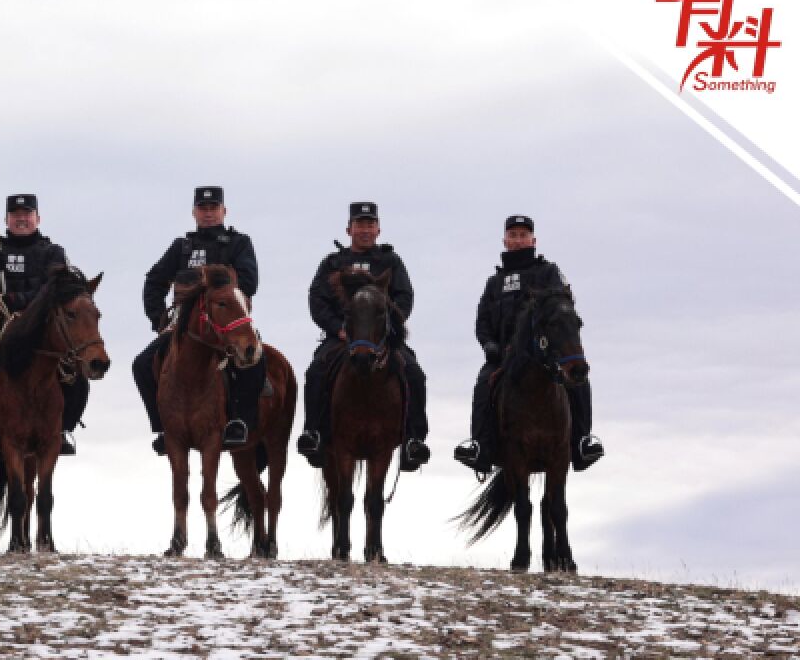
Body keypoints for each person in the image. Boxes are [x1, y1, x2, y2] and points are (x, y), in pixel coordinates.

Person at [454, 214, 605, 474]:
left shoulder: (548, 272)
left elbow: (560, 309)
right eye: (513, 236)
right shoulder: (494, 283)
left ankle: (581, 442)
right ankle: (481, 446)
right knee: (482, 384)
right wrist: (489, 345)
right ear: (505, 241)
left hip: (543, 356)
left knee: (579, 381)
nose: (518, 240)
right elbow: (483, 320)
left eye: (523, 235)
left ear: (533, 240)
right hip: (502, 358)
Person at [296, 202, 431, 471]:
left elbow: (405, 297)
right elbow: (317, 300)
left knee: (414, 373)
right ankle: (314, 434)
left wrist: (390, 327)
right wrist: (338, 328)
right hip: (343, 336)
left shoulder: (391, 262)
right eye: (360, 225)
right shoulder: (333, 263)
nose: (365, 230)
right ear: (349, 229)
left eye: (370, 225)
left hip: (382, 337)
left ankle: (413, 440)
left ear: (378, 229)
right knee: (315, 372)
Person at [134, 186, 263, 455]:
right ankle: (162, 427)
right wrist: (158, 318)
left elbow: (249, 282)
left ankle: (240, 421)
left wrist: (205, 283)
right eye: (203, 209)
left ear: (223, 211)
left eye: (213, 208)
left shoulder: (239, 243)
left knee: (256, 363)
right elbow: (154, 281)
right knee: (142, 364)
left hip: (228, 327)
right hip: (185, 328)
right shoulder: (181, 247)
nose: (208, 214)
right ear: (194, 212)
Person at [0, 193, 85, 462]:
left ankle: (64, 429)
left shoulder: (52, 252)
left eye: (27, 214)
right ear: (6, 219)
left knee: (76, 371)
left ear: (37, 219)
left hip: (39, 328)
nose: (21, 219)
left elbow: (57, 288)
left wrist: (23, 299)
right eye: (16, 215)